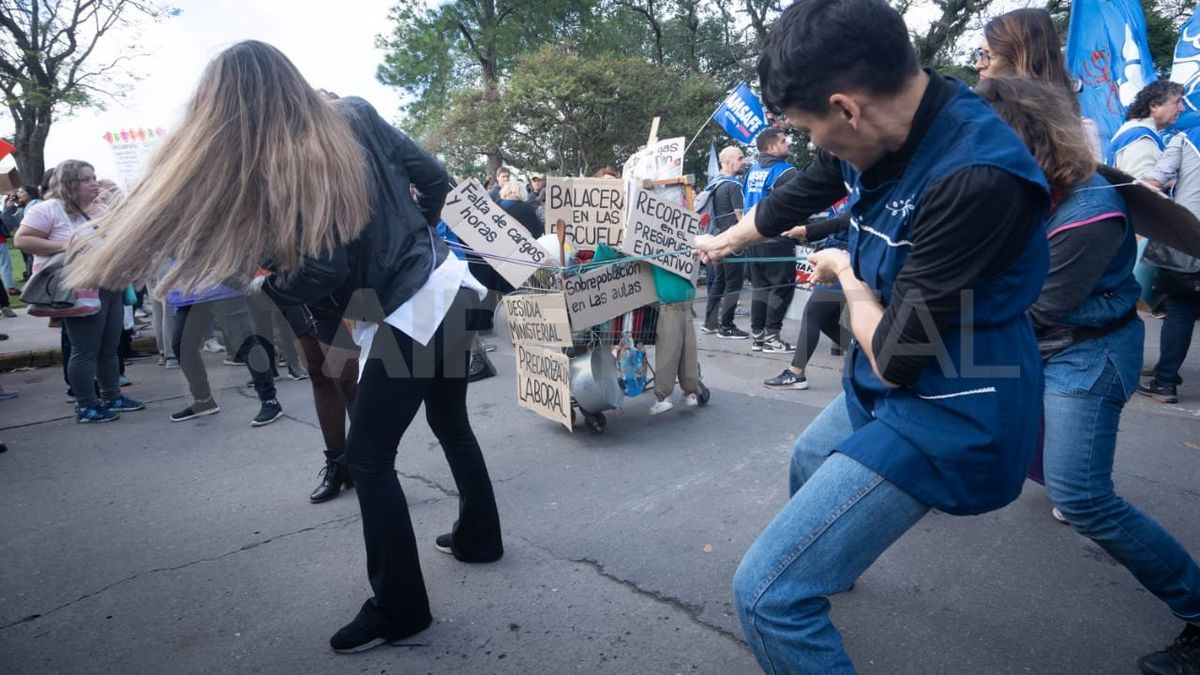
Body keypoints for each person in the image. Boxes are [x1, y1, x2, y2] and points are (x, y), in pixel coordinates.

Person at [65, 40, 503, 653]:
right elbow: (436, 180)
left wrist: (272, 283)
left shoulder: (288, 159)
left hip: (412, 309)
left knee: (370, 458)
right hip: (449, 286)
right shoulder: (355, 112)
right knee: (451, 423)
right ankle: (480, 538)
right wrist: (417, 234)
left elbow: (323, 270)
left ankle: (400, 608)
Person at [694, 1, 1050, 671]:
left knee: (766, 593)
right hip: (896, 365)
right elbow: (791, 199)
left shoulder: (976, 178)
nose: (815, 147)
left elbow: (894, 359)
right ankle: (828, 565)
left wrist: (848, 275)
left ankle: (799, 590)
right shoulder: (880, 130)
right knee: (809, 456)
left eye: (810, 130)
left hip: (955, 397)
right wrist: (721, 240)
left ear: (846, 108)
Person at [978, 75, 1200, 675]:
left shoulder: (1092, 207)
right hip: (1041, 344)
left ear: (1028, 141)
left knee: (1082, 498)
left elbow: (1035, 309)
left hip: (1086, 352)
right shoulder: (1021, 189)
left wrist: (923, 333)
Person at [15, 160, 144, 423]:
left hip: (110, 284)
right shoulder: (49, 209)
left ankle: (112, 396)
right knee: (84, 349)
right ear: (69, 183)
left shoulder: (101, 208)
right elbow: (22, 239)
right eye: (86, 179)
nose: (94, 183)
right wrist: (68, 245)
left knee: (110, 347)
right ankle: (86, 405)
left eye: (94, 177)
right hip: (79, 288)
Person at [974, 7, 1102, 159]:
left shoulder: (1079, 137)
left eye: (987, 55)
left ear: (1020, 63)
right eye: (979, 54)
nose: (978, 65)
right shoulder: (974, 124)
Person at [1137, 122, 1200, 405]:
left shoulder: (1187, 137)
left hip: (1188, 236)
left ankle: (1164, 383)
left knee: (1180, 311)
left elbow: (1156, 180)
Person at [166, 284, 283, 427]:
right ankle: (203, 401)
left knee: (246, 343)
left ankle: (269, 400)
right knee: (182, 346)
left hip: (222, 288)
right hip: (188, 294)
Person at [763, 214, 850, 390]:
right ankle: (865, 354)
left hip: (843, 260)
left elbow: (842, 221)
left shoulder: (866, 194)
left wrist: (805, 230)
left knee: (813, 313)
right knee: (825, 320)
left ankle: (796, 372)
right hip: (839, 256)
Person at [743, 126, 797, 353]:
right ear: (771, 147)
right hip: (776, 238)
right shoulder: (786, 172)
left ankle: (758, 336)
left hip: (751, 237)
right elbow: (796, 206)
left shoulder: (752, 171)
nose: (789, 144)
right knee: (782, 287)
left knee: (761, 287)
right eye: (784, 141)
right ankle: (772, 337)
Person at [701, 146, 750, 339]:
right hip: (732, 240)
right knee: (734, 283)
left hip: (716, 236)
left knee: (719, 281)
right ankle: (727, 326)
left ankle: (710, 322)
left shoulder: (714, 183)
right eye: (740, 158)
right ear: (728, 161)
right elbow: (741, 218)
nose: (743, 161)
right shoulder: (734, 185)